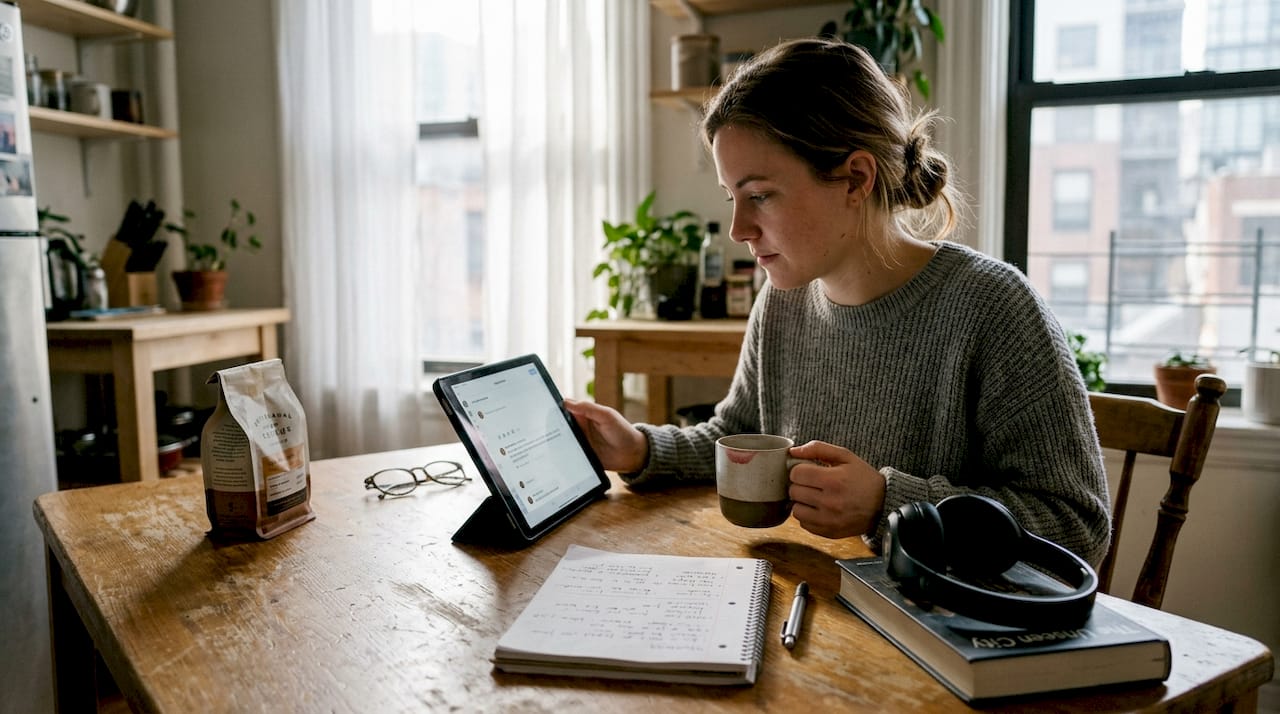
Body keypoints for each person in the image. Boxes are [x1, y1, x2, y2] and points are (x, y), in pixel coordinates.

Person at [564, 38, 1111, 566]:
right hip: (817, 607)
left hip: (940, 635)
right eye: (732, 198)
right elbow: (736, 440)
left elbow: (1078, 525)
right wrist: (639, 447)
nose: (737, 229)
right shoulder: (782, 304)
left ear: (855, 178)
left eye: (759, 196)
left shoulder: (993, 307)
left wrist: (887, 503)